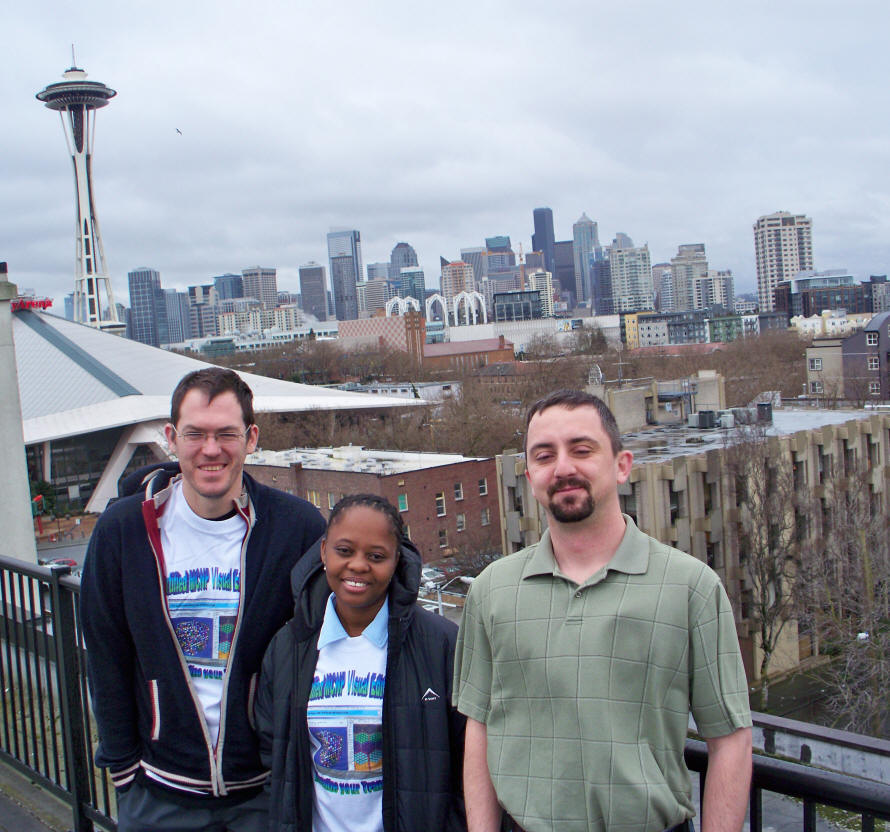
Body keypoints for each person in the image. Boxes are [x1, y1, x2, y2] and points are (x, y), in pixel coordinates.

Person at [454, 390, 752, 832]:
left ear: (622, 465)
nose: (564, 468)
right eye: (544, 455)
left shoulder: (691, 588)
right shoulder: (492, 591)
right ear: (530, 475)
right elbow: (479, 730)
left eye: (582, 449)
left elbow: (729, 740)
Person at [80, 367, 326, 832]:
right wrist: (124, 768)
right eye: (195, 434)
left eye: (226, 434)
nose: (210, 450)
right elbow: (105, 650)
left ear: (251, 438)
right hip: (158, 792)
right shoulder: (123, 530)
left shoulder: (296, 528)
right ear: (171, 438)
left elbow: (322, 643)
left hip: (263, 793)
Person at [256, 494, 467, 832]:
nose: (358, 565)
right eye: (344, 551)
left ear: (397, 559)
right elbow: (273, 755)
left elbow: (468, 760)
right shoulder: (288, 648)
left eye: (376, 556)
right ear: (324, 551)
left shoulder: (441, 644)